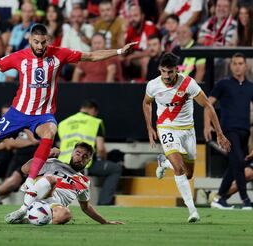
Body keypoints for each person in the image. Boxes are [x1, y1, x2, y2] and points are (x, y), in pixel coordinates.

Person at [0, 23, 137, 198]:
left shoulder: (59, 54)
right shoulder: (19, 57)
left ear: (48, 40)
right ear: (30, 40)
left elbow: (91, 56)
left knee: (50, 132)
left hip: (42, 114)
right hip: (17, 113)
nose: (40, 46)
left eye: (43, 42)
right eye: (36, 42)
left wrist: (119, 51)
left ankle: (29, 181)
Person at [142, 53, 231, 222]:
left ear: (177, 69)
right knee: (179, 168)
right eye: (163, 72)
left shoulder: (189, 84)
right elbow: (146, 103)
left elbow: (208, 106)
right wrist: (149, 127)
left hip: (187, 131)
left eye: (170, 72)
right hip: (166, 128)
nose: (166, 76)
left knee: (188, 174)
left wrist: (219, 133)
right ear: (159, 70)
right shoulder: (153, 85)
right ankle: (192, 210)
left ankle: (164, 162)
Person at [5, 142, 124, 225]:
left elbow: (86, 207)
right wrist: (46, 154)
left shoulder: (84, 182)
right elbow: (25, 169)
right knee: (51, 179)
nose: (80, 158)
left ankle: (29, 219)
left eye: (85, 156)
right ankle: (22, 210)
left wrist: (104, 221)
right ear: (72, 153)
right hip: (38, 196)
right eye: (78, 153)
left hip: (53, 207)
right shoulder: (54, 163)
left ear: (89, 161)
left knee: (66, 214)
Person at [205, 53, 253, 210]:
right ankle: (246, 200)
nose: (238, 66)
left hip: (245, 132)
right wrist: (207, 126)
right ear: (230, 66)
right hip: (228, 131)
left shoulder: (250, 86)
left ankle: (219, 198)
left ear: (245, 66)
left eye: (240, 63)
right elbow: (208, 104)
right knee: (238, 162)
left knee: (235, 165)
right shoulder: (223, 84)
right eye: (235, 63)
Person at [57, 100, 122, 205]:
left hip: (62, 164)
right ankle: (104, 203)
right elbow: (100, 148)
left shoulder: (63, 123)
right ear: (93, 110)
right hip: (83, 165)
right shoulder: (95, 122)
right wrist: (103, 159)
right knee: (115, 169)